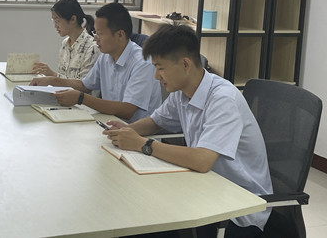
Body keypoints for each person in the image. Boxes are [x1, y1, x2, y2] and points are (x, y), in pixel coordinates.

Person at [103, 24, 272, 238]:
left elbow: (201, 160)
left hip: (239, 208)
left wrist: (142, 144)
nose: (156, 76)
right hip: (203, 186)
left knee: (145, 224)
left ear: (185, 64)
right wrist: (126, 131)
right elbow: (156, 122)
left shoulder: (223, 99)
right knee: (133, 209)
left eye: (160, 68)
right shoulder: (182, 92)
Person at [31, 2, 161, 122]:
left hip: (136, 132)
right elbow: (84, 85)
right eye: (95, 32)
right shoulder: (105, 57)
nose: (95, 39)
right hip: (110, 124)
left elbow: (127, 110)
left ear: (120, 35)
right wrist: (51, 80)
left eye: (100, 33)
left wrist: (81, 98)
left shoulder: (142, 63)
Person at [32, 0, 100, 79]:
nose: (55, 26)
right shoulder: (65, 44)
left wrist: (52, 74)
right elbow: (63, 76)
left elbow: (84, 84)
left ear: (73, 19)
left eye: (57, 20)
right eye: (53, 21)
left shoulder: (92, 47)